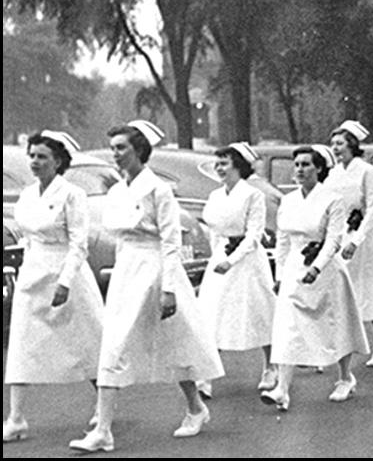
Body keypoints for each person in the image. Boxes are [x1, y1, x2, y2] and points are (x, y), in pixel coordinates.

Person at [70, 121, 224, 452]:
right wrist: (117, 272)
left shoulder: (159, 190)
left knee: (176, 341)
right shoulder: (115, 191)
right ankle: (103, 429)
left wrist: (168, 288)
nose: (115, 153)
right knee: (113, 344)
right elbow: (121, 238)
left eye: (121, 147)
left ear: (139, 151)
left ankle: (196, 407)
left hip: (157, 271)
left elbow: (170, 241)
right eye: (112, 148)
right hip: (128, 271)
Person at [4, 132, 104, 445]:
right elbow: (29, 236)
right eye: (32, 155)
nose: (34, 161)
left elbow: (79, 243)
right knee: (22, 344)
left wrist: (64, 282)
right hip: (33, 274)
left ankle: (103, 410)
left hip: (69, 276)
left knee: (88, 343)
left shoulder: (72, 194)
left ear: (58, 161)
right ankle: (16, 418)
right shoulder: (27, 193)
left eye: (42, 156)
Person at [260, 145, 370, 412]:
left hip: (326, 269)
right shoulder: (288, 200)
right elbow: (283, 240)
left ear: (319, 169)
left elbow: (334, 239)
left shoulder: (332, 198)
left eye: (306, 164)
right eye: (297, 164)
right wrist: (280, 274)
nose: (299, 169)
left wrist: (317, 267)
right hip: (295, 268)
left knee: (335, 326)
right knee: (287, 327)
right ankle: (282, 389)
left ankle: (345, 377)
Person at [195, 143, 278, 400]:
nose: (219, 169)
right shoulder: (215, 196)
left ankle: (271, 367)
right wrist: (217, 257)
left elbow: (254, 235)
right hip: (221, 257)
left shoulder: (252, 195)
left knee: (258, 312)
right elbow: (214, 230)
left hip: (248, 261)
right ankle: (205, 376)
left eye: (224, 163)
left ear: (238, 166)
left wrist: (231, 260)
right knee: (212, 313)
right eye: (217, 164)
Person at [324, 121, 373, 368]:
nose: (335, 148)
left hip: (364, 239)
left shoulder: (366, 171)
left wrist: (356, 239)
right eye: (333, 144)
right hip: (339, 238)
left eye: (340, 143)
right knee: (340, 292)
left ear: (352, 144)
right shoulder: (333, 173)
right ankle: (337, 347)